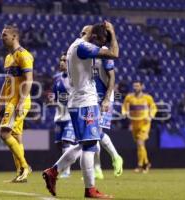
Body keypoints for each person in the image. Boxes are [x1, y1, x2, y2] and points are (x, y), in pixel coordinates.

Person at [43, 21, 119, 199]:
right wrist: (113, 33)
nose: (101, 45)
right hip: (85, 101)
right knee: (91, 145)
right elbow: (114, 53)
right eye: (100, 41)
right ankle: (90, 189)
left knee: (84, 143)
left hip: (80, 100)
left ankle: (54, 171)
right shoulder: (83, 47)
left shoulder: (76, 47)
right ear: (92, 37)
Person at [81, 25, 123, 179]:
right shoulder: (88, 51)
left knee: (96, 132)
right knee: (92, 134)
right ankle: (97, 168)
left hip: (104, 97)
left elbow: (112, 77)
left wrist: (106, 98)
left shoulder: (104, 52)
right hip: (91, 96)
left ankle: (115, 157)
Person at [0, 25, 33, 183]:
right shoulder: (8, 57)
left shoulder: (24, 55)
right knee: (16, 137)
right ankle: (20, 174)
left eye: (4, 35)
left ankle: (25, 166)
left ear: (14, 36)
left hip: (19, 101)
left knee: (4, 134)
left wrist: (21, 101)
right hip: (10, 101)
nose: (1, 38)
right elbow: (6, 83)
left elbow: (29, 80)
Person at [49, 53, 76, 178]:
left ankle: (66, 171)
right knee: (59, 144)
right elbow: (53, 96)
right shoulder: (57, 79)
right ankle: (69, 161)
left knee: (66, 142)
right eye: (61, 60)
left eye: (64, 60)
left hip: (71, 116)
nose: (61, 62)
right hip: (59, 116)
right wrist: (51, 101)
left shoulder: (75, 78)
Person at [122, 81, 157, 173]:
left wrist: (150, 116)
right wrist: (125, 113)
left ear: (142, 87)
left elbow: (153, 107)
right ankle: (147, 163)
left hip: (144, 123)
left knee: (140, 142)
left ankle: (140, 165)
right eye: (134, 86)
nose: (135, 88)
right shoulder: (129, 97)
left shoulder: (147, 98)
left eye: (137, 86)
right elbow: (124, 107)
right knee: (140, 145)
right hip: (134, 123)